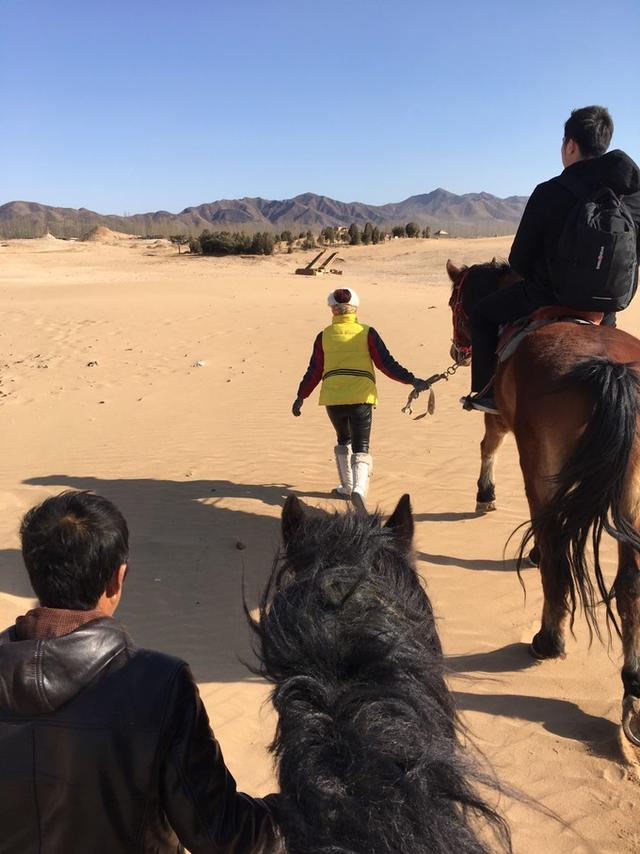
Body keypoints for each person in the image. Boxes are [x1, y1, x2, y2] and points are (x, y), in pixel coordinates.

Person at [0, 490, 282, 854]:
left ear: (33, 571)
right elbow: (222, 834)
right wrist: (299, 814)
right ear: (117, 579)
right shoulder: (159, 685)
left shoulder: (158, 684)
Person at [464, 105, 640, 414]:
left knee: (481, 315)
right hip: (605, 309)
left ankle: (487, 393)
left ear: (571, 145)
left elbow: (519, 262)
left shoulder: (550, 191)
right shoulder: (632, 197)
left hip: (545, 296)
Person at [292, 287, 428, 511]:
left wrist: (301, 396)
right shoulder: (367, 333)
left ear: (333, 310)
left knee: (343, 439)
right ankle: (359, 489)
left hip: (333, 399)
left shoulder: (324, 336)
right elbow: (386, 364)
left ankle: (346, 487)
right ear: (355, 309)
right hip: (361, 397)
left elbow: (314, 371)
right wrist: (412, 380)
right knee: (361, 445)